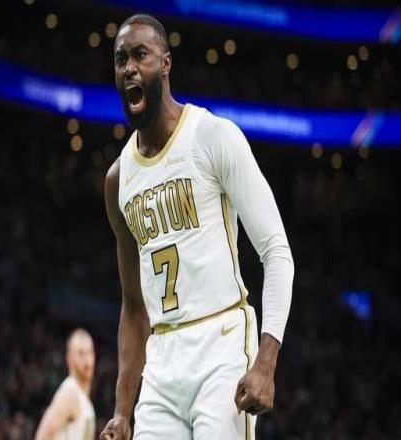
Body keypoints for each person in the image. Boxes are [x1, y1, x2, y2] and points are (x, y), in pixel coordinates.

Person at [101, 14, 294, 440]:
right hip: (161, 359)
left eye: (140, 55)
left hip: (221, 343)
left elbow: (276, 250)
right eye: (120, 59)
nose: (129, 67)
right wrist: (122, 411)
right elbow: (133, 306)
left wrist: (266, 360)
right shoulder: (118, 179)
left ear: (165, 63)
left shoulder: (212, 136)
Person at [36, 328, 96, 440]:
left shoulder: (83, 397)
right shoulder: (69, 393)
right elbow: (41, 437)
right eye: (81, 354)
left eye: (90, 353)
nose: (87, 361)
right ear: (69, 358)